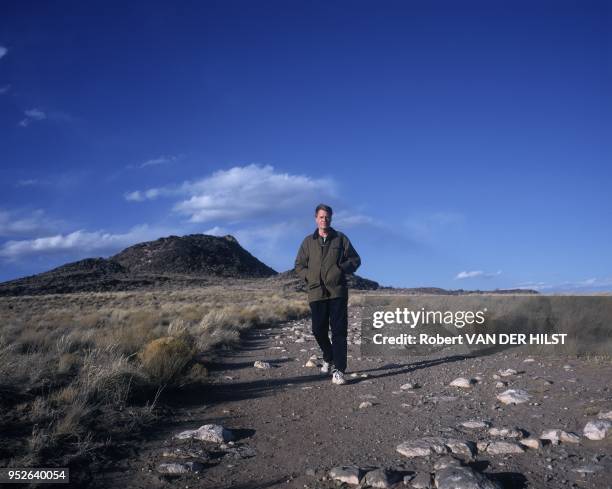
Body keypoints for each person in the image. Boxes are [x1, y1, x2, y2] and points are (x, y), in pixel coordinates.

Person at [294, 204, 361, 385]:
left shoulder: (340, 239)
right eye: (321, 217)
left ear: (331, 218)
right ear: (316, 219)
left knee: (339, 332)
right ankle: (328, 356)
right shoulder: (308, 242)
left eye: (327, 217)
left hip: (337, 292)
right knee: (318, 330)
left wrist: (340, 269)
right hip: (316, 292)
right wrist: (309, 276)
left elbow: (355, 259)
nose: (324, 220)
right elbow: (299, 265)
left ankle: (339, 370)